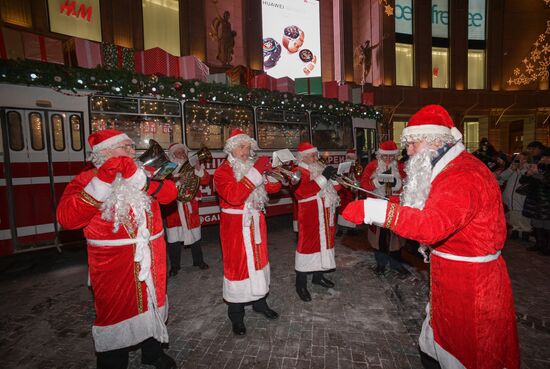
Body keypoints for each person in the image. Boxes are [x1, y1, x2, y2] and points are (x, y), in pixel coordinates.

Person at [342, 105, 519, 369]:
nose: (409, 151)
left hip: (471, 286)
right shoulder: (449, 167)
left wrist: (373, 209)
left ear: (435, 140)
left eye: (413, 143)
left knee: (468, 352)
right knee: (439, 345)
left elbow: (433, 225)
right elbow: (431, 207)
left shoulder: (462, 175)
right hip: (453, 277)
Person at [56, 129, 178, 369]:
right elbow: (67, 219)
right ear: (106, 153)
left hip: (152, 258)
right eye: (125, 147)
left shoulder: (143, 172)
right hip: (113, 265)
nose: (132, 152)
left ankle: (152, 353)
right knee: (116, 316)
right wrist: (103, 180)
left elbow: (170, 194)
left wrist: (140, 179)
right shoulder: (86, 180)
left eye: (132, 147)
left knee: (153, 303)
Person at [213, 129, 281, 336]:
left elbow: (275, 189)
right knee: (238, 268)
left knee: (259, 263)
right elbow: (234, 196)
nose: (246, 151)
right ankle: (236, 314)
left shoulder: (251, 167)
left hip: (255, 223)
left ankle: (260, 303)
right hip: (235, 226)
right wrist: (257, 173)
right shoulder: (221, 172)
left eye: (248, 147)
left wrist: (272, 173)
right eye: (242, 147)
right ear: (231, 148)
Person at [291, 142, 340, 302]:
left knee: (324, 245)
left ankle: (318, 277)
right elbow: (302, 192)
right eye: (313, 155)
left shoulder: (317, 167)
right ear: (303, 157)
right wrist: (324, 176)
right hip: (310, 215)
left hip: (324, 213)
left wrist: (336, 179)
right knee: (306, 248)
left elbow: (332, 189)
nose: (316, 157)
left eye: (316, 154)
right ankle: (300, 285)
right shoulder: (297, 171)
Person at [359, 141, 409, 276]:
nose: (387, 160)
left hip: (394, 205)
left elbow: (408, 185)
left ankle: (396, 264)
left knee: (395, 237)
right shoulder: (372, 166)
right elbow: (363, 184)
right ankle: (380, 263)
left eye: (391, 157)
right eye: (384, 157)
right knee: (379, 237)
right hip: (377, 205)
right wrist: (376, 182)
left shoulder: (400, 167)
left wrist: (397, 183)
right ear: (379, 156)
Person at [163, 143, 210, 276]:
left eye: (183, 152)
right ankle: (175, 266)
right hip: (174, 207)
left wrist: (199, 170)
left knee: (196, 235)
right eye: (178, 153)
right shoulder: (168, 168)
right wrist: (177, 182)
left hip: (190, 206)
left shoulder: (192, 165)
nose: (181, 154)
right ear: (172, 155)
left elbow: (206, 181)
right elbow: (161, 185)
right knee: (174, 239)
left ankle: (198, 261)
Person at [519, 148, 550, 255]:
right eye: (543, 157)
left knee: (546, 225)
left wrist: (536, 174)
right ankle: (538, 244)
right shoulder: (538, 166)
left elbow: (547, 182)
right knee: (536, 224)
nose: (544, 159)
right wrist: (528, 174)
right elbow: (522, 181)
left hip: (546, 202)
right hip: (534, 201)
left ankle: (546, 248)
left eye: (546, 157)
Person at [498, 152, 531, 241]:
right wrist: (511, 170)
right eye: (517, 158)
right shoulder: (512, 168)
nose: (519, 160)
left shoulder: (528, 168)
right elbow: (502, 177)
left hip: (521, 197)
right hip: (510, 197)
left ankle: (525, 232)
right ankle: (515, 230)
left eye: (521, 158)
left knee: (523, 215)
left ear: (526, 160)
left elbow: (527, 179)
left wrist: (521, 169)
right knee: (513, 214)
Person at [336, 149, 361, 237]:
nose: (351, 159)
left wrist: (357, 178)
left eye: (352, 157)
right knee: (343, 209)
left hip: (354, 190)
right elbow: (340, 177)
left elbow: (359, 176)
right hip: (345, 190)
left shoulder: (357, 166)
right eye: (349, 157)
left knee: (354, 209)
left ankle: (352, 228)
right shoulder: (343, 166)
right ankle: (341, 229)